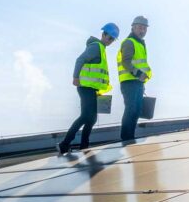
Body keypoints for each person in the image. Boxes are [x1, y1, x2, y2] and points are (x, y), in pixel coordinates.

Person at [57, 22, 119, 155]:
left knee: (91, 118)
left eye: (113, 39)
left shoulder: (101, 49)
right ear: (103, 34)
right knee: (86, 116)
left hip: (92, 89)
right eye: (109, 38)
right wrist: (75, 77)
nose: (111, 41)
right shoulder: (96, 47)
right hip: (85, 87)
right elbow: (80, 60)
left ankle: (84, 145)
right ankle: (64, 144)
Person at [117, 15, 152, 142]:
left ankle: (130, 137)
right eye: (140, 27)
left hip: (137, 83)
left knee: (136, 111)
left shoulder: (140, 43)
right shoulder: (129, 42)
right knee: (131, 109)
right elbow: (126, 62)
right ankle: (126, 138)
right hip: (129, 82)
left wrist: (143, 77)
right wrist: (139, 74)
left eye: (144, 28)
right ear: (133, 28)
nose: (142, 30)